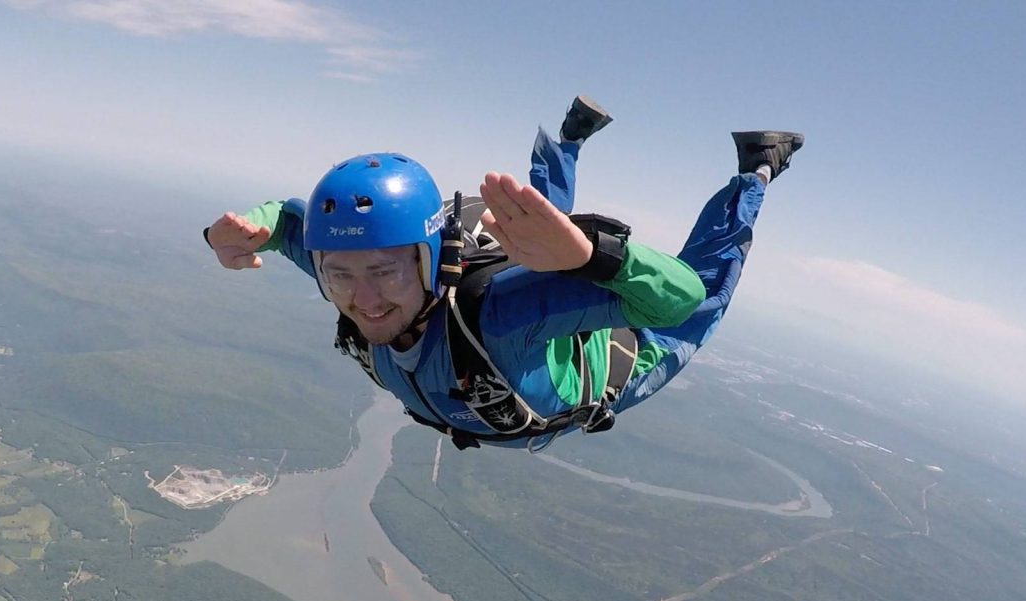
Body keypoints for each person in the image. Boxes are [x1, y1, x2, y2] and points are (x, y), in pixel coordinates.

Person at [206, 103, 802, 451]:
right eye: (338, 276)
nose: (363, 300)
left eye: (384, 273)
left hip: (625, 352)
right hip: (503, 359)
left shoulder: (502, 315)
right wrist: (242, 229)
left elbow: (680, 300)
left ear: (429, 259)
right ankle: (567, 139)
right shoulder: (351, 276)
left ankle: (756, 172)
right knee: (532, 232)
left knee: (705, 299)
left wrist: (595, 257)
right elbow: (291, 226)